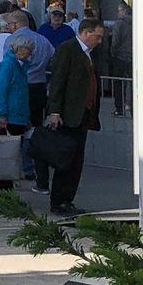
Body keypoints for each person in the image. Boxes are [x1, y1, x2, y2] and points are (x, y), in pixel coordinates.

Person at [41, 15, 103, 218]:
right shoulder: (67, 50)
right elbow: (57, 81)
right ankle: (59, 200)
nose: (99, 41)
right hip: (68, 115)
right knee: (66, 159)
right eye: (97, 36)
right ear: (85, 33)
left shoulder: (90, 53)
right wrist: (55, 111)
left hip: (83, 114)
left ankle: (67, 199)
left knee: (77, 160)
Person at [0, 32, 37, 190]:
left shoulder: (19, 66)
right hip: (10, 115)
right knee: (8, 154)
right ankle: (3, 187)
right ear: (19, 49)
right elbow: (1, 91)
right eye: (27, 49)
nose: (29, 53)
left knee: (12, 153)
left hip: (17, 114)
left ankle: (6, 187)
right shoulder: (8, 66)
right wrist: (2, 114)